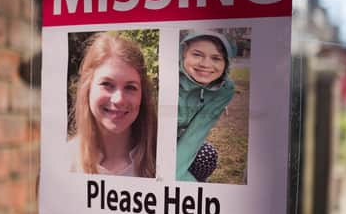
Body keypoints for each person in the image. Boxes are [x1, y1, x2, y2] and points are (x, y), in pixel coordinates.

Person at [69, 32, 157, 177]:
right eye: (107, 84)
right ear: (87, 87)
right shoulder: (63, 161)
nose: (119, 99)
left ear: (143, 94)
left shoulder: (164, 159)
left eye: (130, 87)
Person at [176, 30, 235, 181]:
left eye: (216, 58)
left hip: (182, 139)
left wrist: (176, 178)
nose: (205, 64)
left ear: (225, 63)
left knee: (207, 155)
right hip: (151, 141)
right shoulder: (168, 76)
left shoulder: (225, 89)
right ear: (184, 53)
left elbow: (195, 134)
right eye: (197, 54)